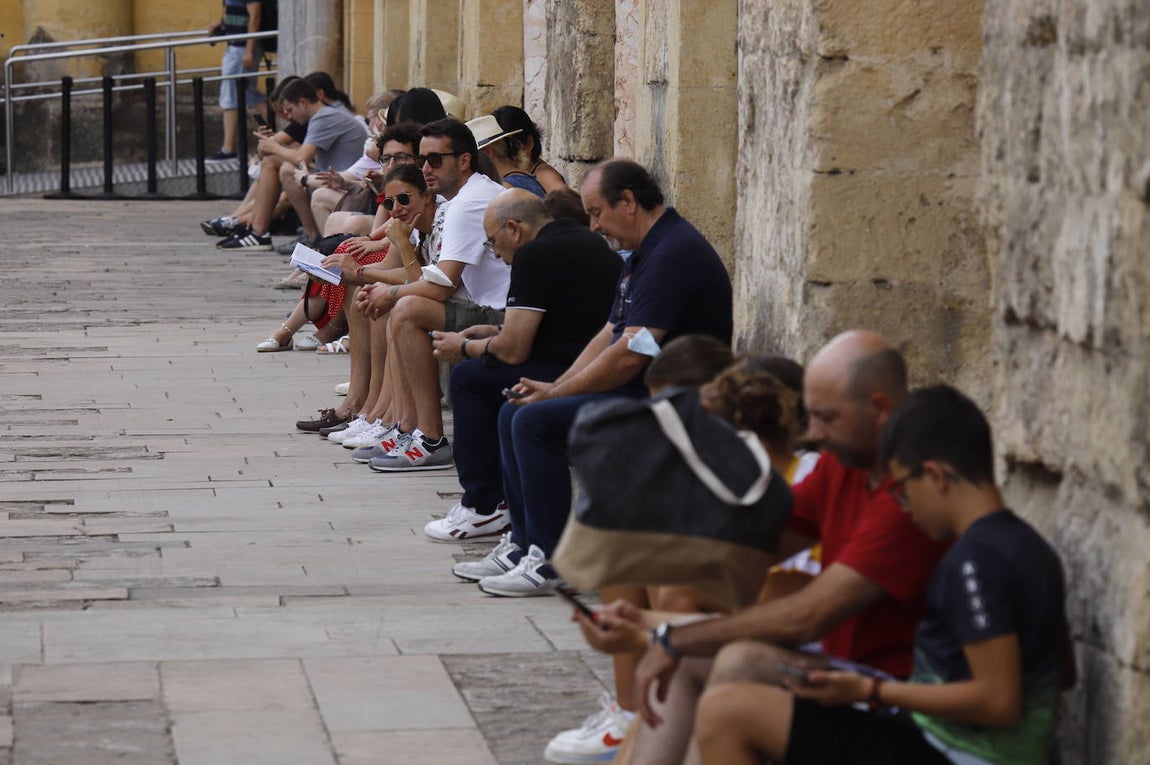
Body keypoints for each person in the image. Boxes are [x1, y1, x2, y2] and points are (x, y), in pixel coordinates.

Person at [578, 330, 949, 765]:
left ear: (880, 409)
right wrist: (644, 617)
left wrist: (665, 631)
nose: (813, 432)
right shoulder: (841, 465)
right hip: (838, 669)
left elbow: (805, 616)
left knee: (717, 662)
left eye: (827, 418)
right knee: (690, 652)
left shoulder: (908, 495)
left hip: (886, 691)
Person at [696, 384, 1072, 765]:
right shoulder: (1029, 547)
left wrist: (870, 689)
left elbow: (999, 700)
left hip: (956, 751)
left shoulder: (973, 562)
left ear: (936, 476)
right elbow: (1063, 671)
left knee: (727, 712)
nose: (905, 508)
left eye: (904, 490)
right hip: (937, 734)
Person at [474, 158, 734, 598]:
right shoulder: (644, 250)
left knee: (534, 423)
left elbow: (633, 352)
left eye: (597, 213)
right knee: (516, 408)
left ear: (628, 202)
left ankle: (554, 558)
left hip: (676, 403)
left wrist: (556, 393)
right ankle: (524, 544)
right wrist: (551, 389)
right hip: (643, 391)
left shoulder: (672, 252)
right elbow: (610, 332)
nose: (592, 226)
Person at [421, 188, 622, 543]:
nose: (496, 254)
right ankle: (510, 520)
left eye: (493, 243)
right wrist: (495, 331)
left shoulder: (534, 254)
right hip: (577, 360)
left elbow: (513, 351)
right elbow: (557, 323)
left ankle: (483, 505)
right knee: (496, 387)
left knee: (469, 377)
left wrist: (464, 346)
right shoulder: (584, 241)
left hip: (570, 371)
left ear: (514, 229)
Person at [352, 118, 509, 469]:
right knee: (399, 304)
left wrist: (389, 291)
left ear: (464, 161)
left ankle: (431, 439)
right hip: (480, 305)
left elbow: (440, 285)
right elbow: (435, 275)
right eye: (423, 160)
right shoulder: (462, 198)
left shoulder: (468, 203)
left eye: (435, 160)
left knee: (406, 309)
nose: (425, 169)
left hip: (502, 316)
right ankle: (406, 427)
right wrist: (379, 284)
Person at [218, 78, 367, 251]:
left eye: (290, 110)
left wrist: (272, 146)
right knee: (277, 164)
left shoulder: (325, 117)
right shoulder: (324, 115)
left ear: (303, 103)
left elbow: (300, 157)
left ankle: (267, 233)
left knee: (283, 167)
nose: (289, 116)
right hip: (337, 179)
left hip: (346, 186)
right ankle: (257, 231)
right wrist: (272, 147)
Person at [207, 0, 267, 161]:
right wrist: (219, 24)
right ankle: (282, 133)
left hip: (241, 50)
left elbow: (255, 18)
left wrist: (249, 51)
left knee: (230, 96)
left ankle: (228, 149)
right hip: (235, 47)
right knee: (249, 95)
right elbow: (232, 11)